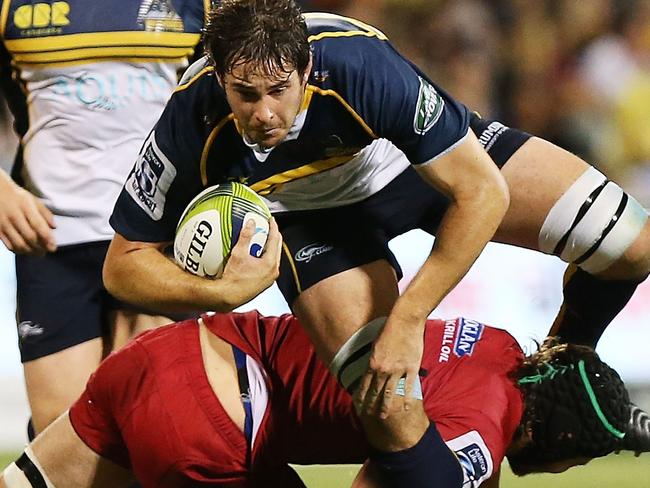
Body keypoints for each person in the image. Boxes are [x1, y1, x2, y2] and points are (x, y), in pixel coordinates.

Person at [102, 2, 650, 483]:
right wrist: (222, 294)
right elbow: (122, 265)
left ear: (306, 67)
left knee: (634, 247)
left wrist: (409, 319)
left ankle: (561, 364)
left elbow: (482, 193)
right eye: (245, 94)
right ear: (218, 76)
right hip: (309, 219)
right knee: (389, 406)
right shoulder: (189, 118)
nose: (264, 113)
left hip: (415, 170)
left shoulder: (359, 63)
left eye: (278, 91)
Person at [1, 311, 647, 487]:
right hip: (219, 424)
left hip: (169, 353)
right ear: (562, 442)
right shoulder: (479, 436)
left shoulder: (504, 349)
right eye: (579, 462)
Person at [0, 0, 213, 436]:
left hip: (157, 239)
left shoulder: (201, 5)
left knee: (155, 429)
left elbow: (235, 101)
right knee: (63, 444)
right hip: (53, 238)